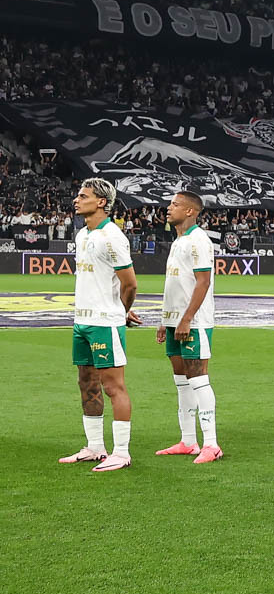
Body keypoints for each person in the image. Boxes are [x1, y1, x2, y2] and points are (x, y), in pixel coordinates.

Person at [59, 178, 143, 472]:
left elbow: (130, 284)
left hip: (104, 323)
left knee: (113, 386)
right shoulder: (84, 234)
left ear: (101, 202)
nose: (76, 200)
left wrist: (120, 312)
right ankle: (95, 447)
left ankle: (121, 452)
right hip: (82, 321)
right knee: (86, 382)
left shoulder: (112, 236)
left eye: (83, 196)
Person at [154, 190, 221, 464]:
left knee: (197, 377)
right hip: (174, 321)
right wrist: (165, 320)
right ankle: (188, 441)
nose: (169, 208)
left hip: (194, 322)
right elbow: (176, 285)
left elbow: (202, 282)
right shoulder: (179, 241)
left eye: (175, 204)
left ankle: (212, 444)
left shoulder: (198, 240)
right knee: (181, 381)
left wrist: (186, 319)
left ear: (191, 211)